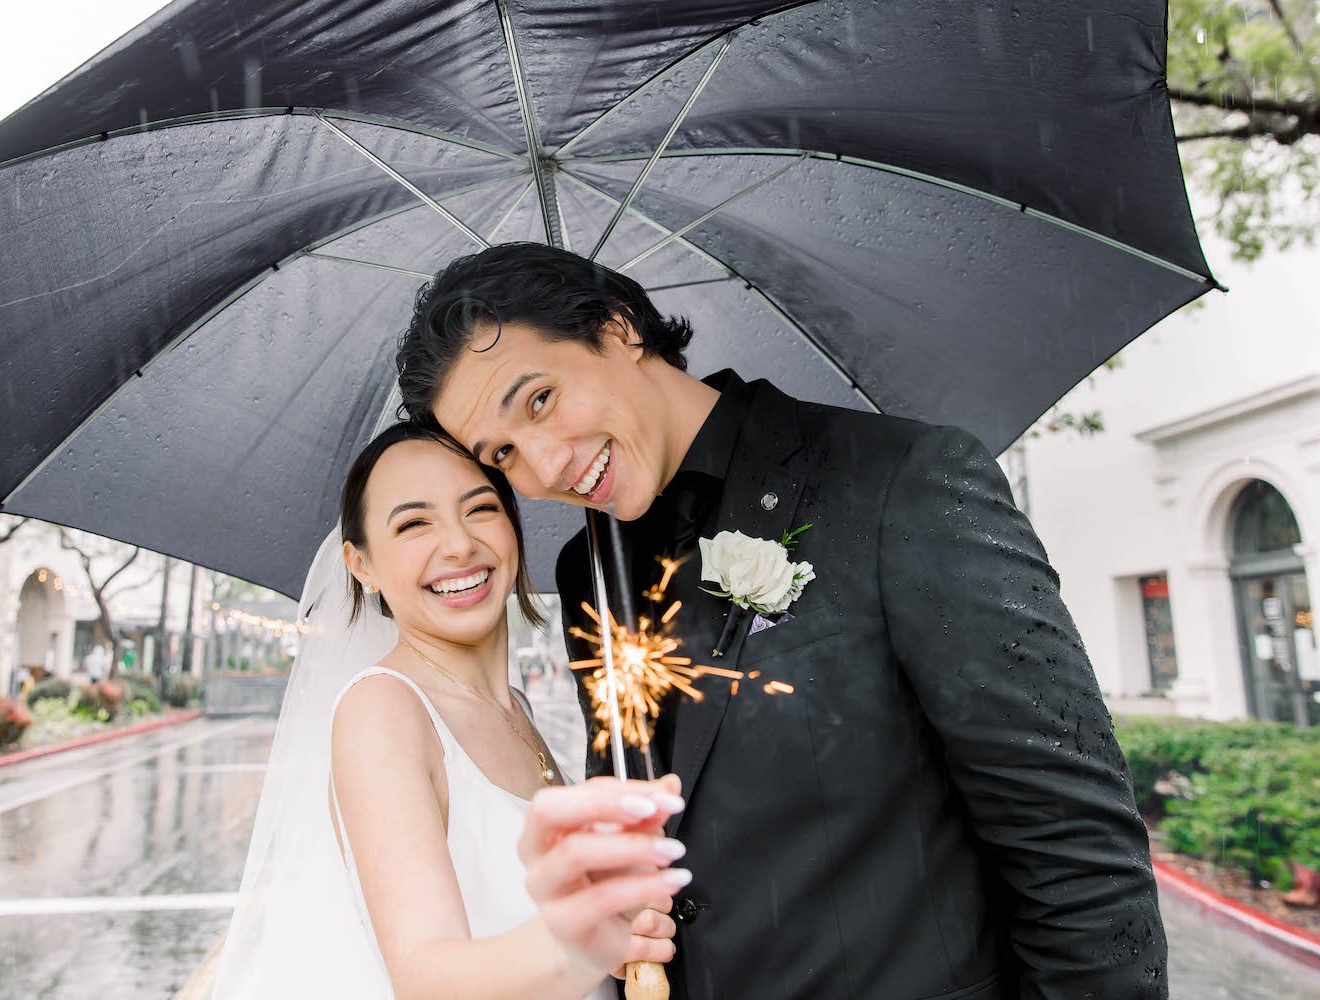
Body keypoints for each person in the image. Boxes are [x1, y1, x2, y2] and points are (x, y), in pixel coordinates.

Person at [394, 243, 1169, 999]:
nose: (544, 466)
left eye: (540, 400)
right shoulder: (588, 575)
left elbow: (1076, 853)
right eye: (501, 456)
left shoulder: (899, 482)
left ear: (618, 328)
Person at [214, 422, 682, 999]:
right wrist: (586, 937)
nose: (459, 544)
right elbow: (428, 976)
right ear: (361, 564)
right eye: (413, 523)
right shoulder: (384, 708)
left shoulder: (517, 709)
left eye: (481, 508)